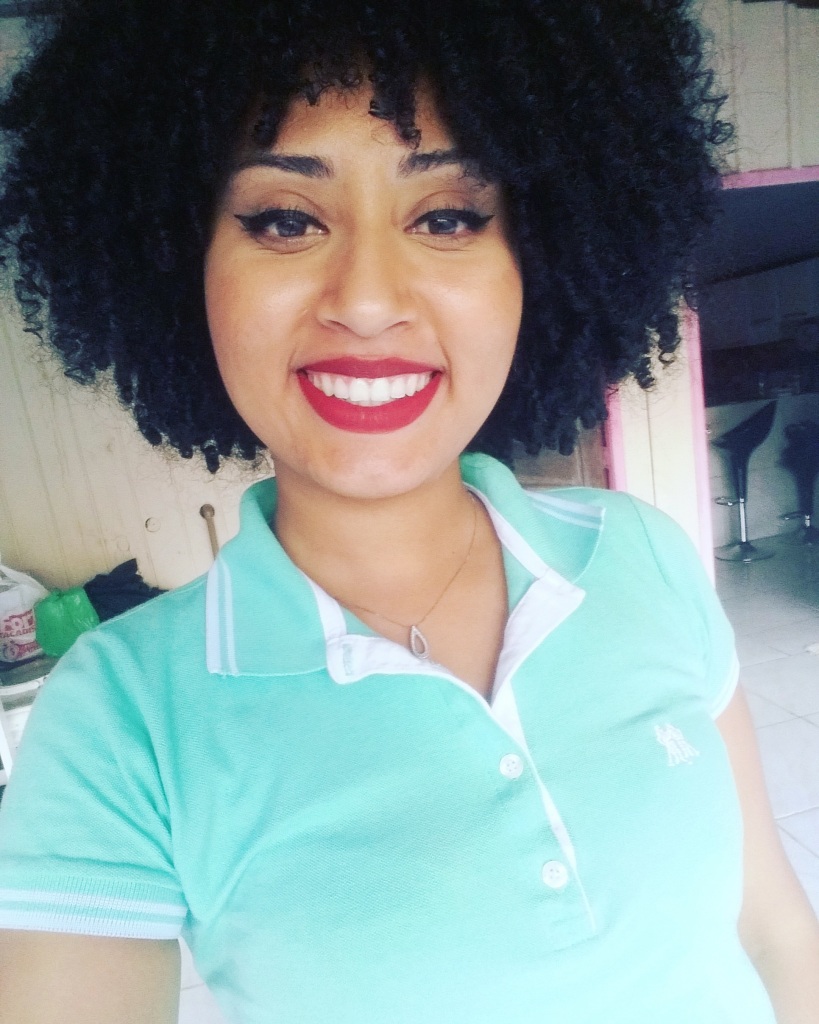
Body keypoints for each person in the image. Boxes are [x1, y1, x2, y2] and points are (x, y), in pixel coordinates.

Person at [0, 1, 818, 1022]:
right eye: (285, 219)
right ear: (175, 262)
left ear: (541, 257)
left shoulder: (643, 554)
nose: (368, 299)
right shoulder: (121, 720)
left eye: (447, 216)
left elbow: (773, 929)